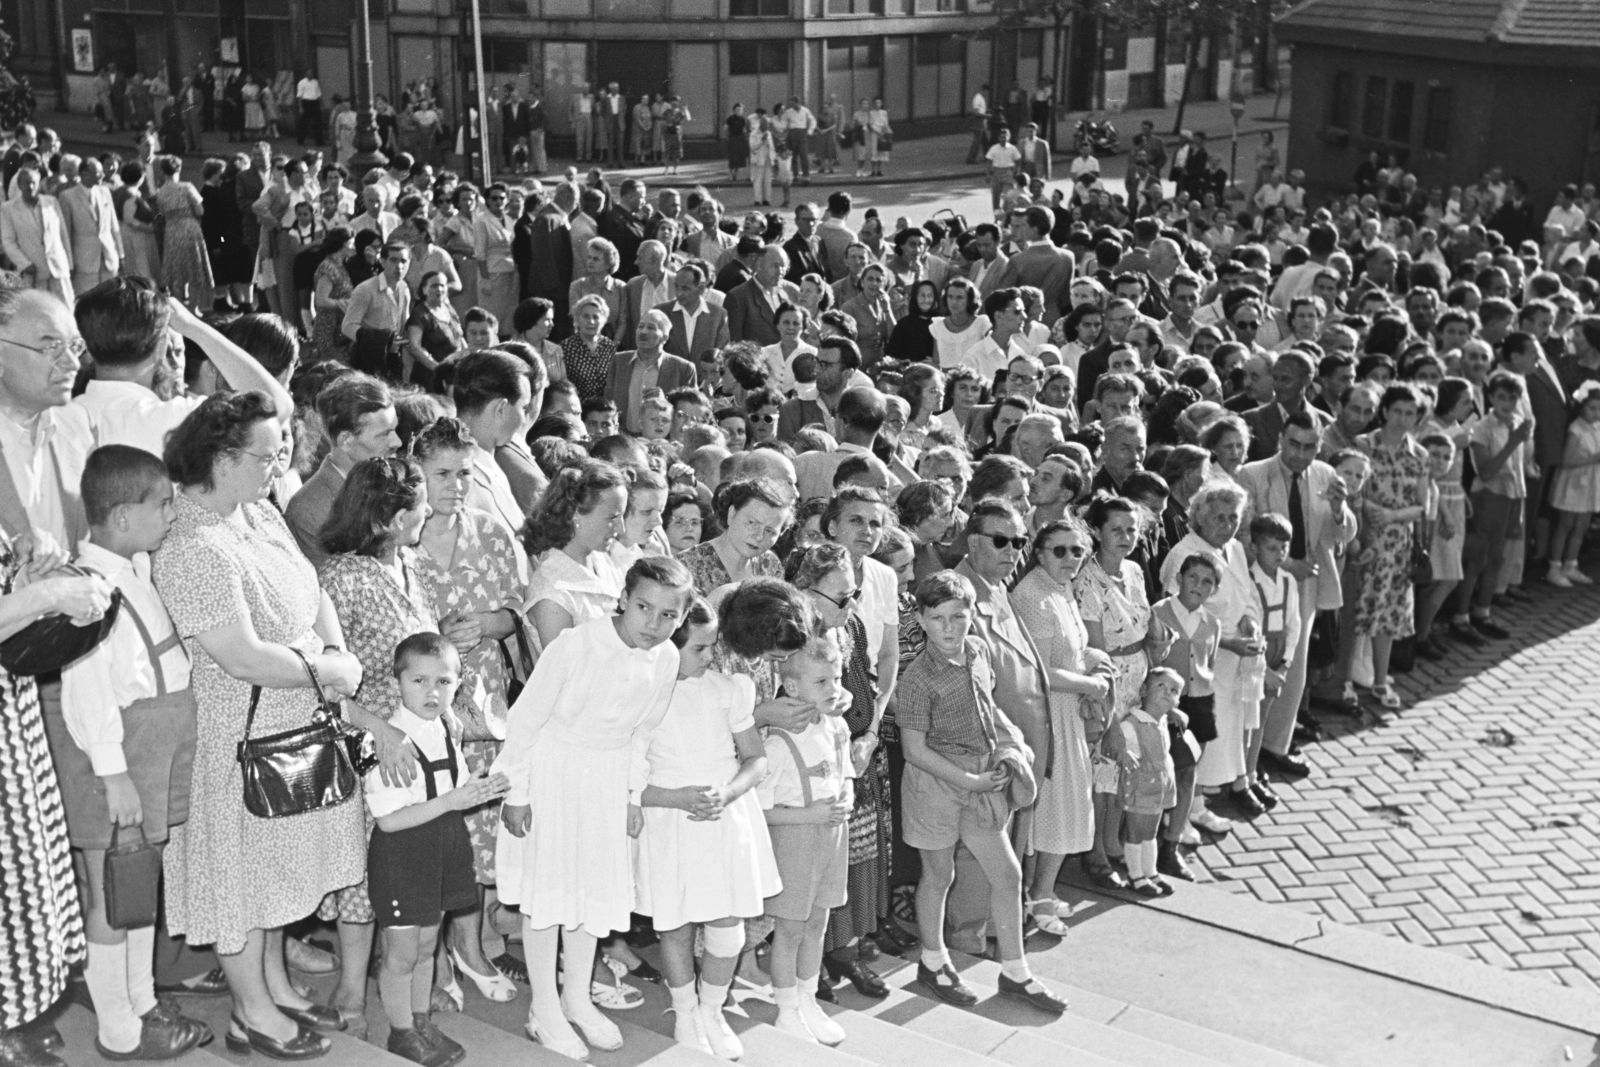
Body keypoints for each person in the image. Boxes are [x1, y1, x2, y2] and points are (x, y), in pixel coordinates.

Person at [153, 392, 366, 1060]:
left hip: (290, 719)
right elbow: (241, 655)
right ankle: (251, 1012)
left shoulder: (255, 511)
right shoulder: (191, 542)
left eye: (280, 451)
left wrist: (332, 652)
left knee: (277, 873)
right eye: (266, 454)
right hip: (234, 736)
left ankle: (274, 985)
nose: (278, 464)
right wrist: (329, 670)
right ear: (219, 457)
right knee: (240, 879)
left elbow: (315, 589)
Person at [494, 557, 693, 1059]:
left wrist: (631, 794)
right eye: (644, 607)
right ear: (622, 599)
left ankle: (577, 998)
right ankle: (544, 1007)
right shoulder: (576, 644)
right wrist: (516, 791)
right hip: (553, 774)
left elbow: (643, 732)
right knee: (548, 897)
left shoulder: (666, 657)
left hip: (607, 781)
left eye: (668, 615)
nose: (654, 624)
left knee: (589, 895)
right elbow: (525, 720)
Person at [55, 447, 211, 1060]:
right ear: (122, 517)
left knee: (140, 885)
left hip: (155, 750)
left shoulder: (134, 569)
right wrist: (113, 773)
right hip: (117, 762)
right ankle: (118, 1030)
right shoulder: (90, 591)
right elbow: (88, 690)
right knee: (111, 895)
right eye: (162, 504)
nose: (172, 514)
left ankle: (143, 1002)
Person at [897, 569, 1066, 1013]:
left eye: (959, 616)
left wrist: (1012, 747)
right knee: (939, 875)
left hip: (980, 779)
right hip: (937, 785)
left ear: (972, 614)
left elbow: (989, 709)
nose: (950, 629)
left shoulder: (976, 650)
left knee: (1007, 875)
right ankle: (933, 963)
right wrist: (968, 781)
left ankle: (1015, 972)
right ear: (920, 620)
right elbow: (914, 750)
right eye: (938, 619)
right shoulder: (916, 678)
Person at [635, 598, 779, 1056]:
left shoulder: (729, 688)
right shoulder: (643, 696)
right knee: (675, 925)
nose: (711, 657)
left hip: (724, 817)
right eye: (700, 649)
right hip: (669, 818)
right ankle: (685, 1012)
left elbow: (756, 759)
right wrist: (675, 798)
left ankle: (713, 1009)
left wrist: (729, 792)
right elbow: (625, 778)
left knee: (728, 925)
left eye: (713, 646)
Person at [364, 632, 504, 1067]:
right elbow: (388, 820)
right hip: (403, 855)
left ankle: (420, 1020)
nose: (431, 692)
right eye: (419, 681)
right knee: (402, 953)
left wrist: (482, 788)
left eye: (443, 682)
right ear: (398, 683)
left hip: (443, 846)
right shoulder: (388, 741)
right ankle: (401, 1031)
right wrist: (453, 801)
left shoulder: (447, 726)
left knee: (428, 946)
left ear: (458, 685)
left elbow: (456, 785)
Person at [1009, 518, 1114, 928]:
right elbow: (1043, 670)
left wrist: (1096, 664)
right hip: (1047, 713)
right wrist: (1092, 684)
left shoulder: (1061, 589)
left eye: (1077, 551)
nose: (1070, 558)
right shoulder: (1033, 595)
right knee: (1055, 807)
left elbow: (1075, 649)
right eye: (1060, 550)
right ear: (1038, 553)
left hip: (1068, 711)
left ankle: (1042, 893)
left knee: (1066, 805)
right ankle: (1038, 898)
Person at [759, 631, 856, 1045]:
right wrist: (809, 815)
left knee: (818, 922)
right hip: (797, 841)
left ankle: (807, 996)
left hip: (833, 836)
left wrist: (845, 797)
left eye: (835, 679)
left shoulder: (835, 726)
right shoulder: (779, 743)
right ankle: (786, 1008)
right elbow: (760, 812)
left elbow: (845, 773)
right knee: (791, 929)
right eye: (822, 682)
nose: (833, 690)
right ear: (793, 687)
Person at [1102, 668, 1186, 897]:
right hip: (1140, 786)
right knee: (1136, 832)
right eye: (1161, 686)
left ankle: (1151, 871)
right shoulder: (1133, 724)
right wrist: (1123, 754)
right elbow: (1117, 747)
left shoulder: (1161, 721)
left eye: (1174, 691)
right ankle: (1135, 875)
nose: (1167, 693)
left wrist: (1174, 714)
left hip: (1158, 787)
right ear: (1144, 690)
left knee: (1151, 831)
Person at [681, 477, 789, 595]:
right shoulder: (686, 566)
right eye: (752, 523)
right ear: (731, 514)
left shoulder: (770, 564)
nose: (759, 536)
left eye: (770, 531)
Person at [1548, 381, 1600, 584]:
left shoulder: (1597, 428)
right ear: (1581, 407)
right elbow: (1567, 460)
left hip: (1590, 484)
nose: (1596, 413)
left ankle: (1571, 564)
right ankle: (1554, 566)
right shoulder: (1575, 430)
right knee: (1566, 524)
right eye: (1592, 408)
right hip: (1573, 484)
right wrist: (1594, 459)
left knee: (1582, 525)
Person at [1, 166, 74, 301]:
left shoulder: (51, 202)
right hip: (33, 272)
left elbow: (63, 234)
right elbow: (8, 242)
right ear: (19, 185)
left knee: (66, 311)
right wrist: (24, 264)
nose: (30, 186)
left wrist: (69, 264)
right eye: (26, 183)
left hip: (58, 269)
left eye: (33, 182)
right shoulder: (8, 209)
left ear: (39, 183)